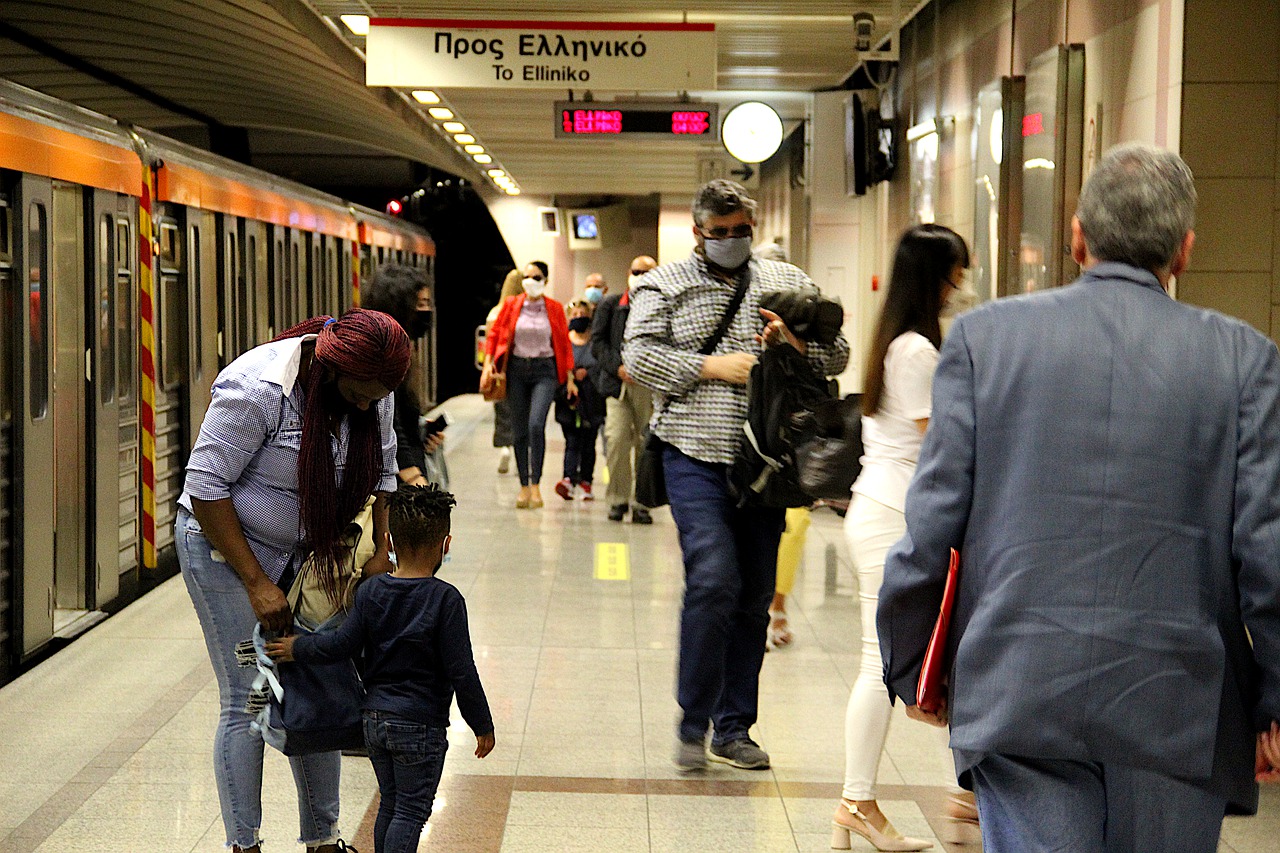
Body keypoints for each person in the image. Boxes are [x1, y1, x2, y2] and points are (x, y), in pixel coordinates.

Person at [878, 144, 1280, 852]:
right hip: (1178, 702)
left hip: (1020, 684)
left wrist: (913, 664)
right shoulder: (1244, 360)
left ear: (1076, 236)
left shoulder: (984, 339)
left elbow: (933, 518)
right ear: (1184, 252)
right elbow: (1267, 549)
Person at [623, 179, 849, 772]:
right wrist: (709, 366)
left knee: (753, 596)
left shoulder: (788, 281)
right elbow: (638, 356)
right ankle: (692, 721)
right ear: (698, 232)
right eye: (718, 232)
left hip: (766, 465)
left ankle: (733, 728)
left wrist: (793, 346)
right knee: (714, 579)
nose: (730, 239)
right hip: (692, 455)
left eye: (740, 230)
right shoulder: (663, 284)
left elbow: (838, 355)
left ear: (752, 227)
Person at [176, 308, 411, 853]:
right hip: (226, 554)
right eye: (359, 395)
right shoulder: (256, 388)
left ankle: (323, 841)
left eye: (376, 398)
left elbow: (384, 472)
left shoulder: (375, 389)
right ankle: (244, 844)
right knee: (251, 696)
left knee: (319, 685)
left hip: (310, 559)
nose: (366, 406)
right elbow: (206, 488)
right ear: (332, 368)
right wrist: (257, 584)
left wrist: (382, 548)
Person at [832, 224, 970, 852]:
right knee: (879, 661)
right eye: (955, 273)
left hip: (886, 509)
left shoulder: (900, 341)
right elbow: (940, 440)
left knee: (925, 654)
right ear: (933, 276)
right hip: (893, 514)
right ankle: (856, 801)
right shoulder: (914, 349)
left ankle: (961, 788)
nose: (959, 285)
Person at [267, 484, 495, 853]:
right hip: (420, 724)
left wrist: (298, 647)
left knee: (390, 803)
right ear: (446, 545)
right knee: (411, 811)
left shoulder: (371, 592)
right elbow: (462, 671)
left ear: (388, 543)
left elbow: (340, 645)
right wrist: (481, 724)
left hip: (374, 721)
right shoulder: (446, 600)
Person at [483, 261, 574, 509]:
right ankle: (524, 485)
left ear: (545, 280)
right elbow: (495, 334)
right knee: (519, 429)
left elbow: (564, 342)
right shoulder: (512, 305)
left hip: (545, 370)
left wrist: (570, 377)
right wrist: (489, 363)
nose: (530, 281)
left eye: (536, 277)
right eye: (527, 276)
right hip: (516, 370)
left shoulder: (554, 308)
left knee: (536, 424)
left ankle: (536, 483)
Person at [361, 264, 446, 488]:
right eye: (420, 304)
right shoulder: (384, 353)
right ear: (398, 307)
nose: (426, 311)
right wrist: (413, 477)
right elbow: (387, 420)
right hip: (395, 481)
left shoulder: (400, 348)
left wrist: (422, 431)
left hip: (401, 475)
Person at [591, 254, 658, 524]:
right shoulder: (611, 305)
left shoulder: (662, 304)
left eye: (646, 272)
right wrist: (617, 367)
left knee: (645, 443)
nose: (640, 277)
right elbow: (598, 343)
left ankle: (642, 501)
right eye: (636, 271)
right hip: (617, 384)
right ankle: (618, 499)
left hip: (648, 386)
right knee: (617, 438)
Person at [555, 299, 606, 500]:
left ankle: (586, 481)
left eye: (583, 314)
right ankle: (568, 479)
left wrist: (588, 373)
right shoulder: (564, 342)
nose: (579, 318)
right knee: (572, 441)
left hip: (592, 400)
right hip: (569, 400)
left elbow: (602, 365)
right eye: (575, 315)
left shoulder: (596, 343)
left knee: (588, 443)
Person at [486, 270, 525, 474]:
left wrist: (488, 367)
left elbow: (489, 342)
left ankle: (505, 448)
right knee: (521, 410)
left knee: (502, 409)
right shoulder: (525, 310)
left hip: (499, 366)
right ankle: (521, 453)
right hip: (521, 364)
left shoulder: (496, 311)